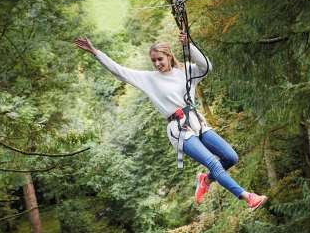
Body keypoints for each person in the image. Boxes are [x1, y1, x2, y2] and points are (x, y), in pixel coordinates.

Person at [74, 32, 268, 210]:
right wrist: (95, 52)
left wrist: (189, 46)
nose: (157, 63)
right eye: (154, 60)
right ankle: (248, 197)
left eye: (160, 59)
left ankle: (205, 180)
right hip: (179, 130)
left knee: (231, 158)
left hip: (197, 123)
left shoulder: (186, 72)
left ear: (169, 56)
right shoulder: (149, 79)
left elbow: (207, 67)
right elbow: (120, 71)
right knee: (214, 163)